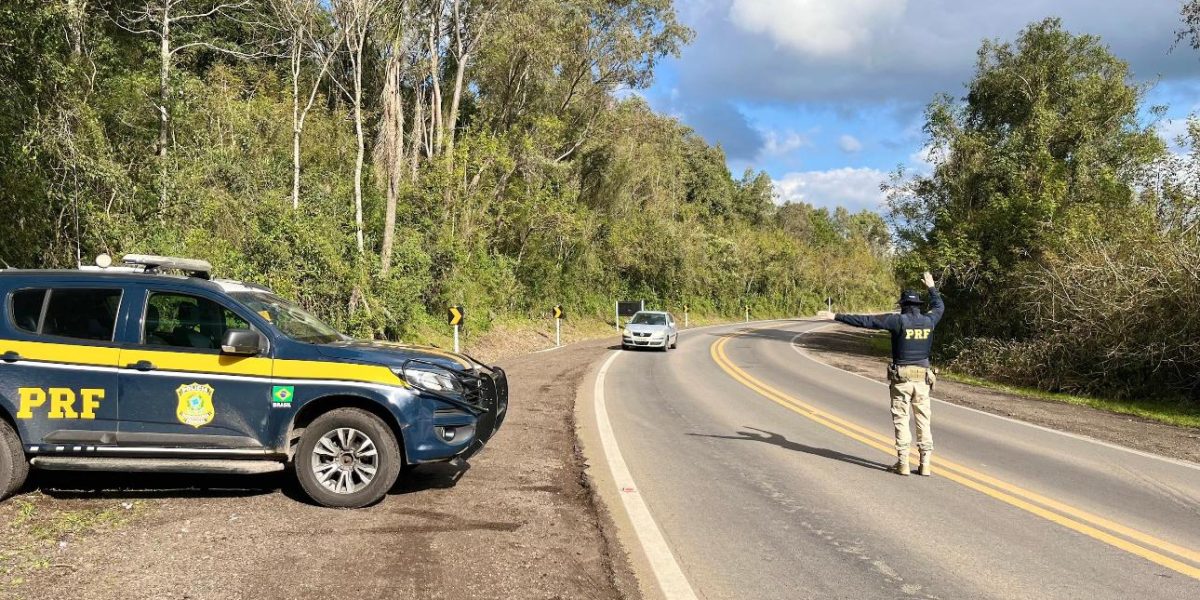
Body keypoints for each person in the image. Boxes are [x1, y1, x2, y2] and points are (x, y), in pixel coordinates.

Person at [816, 271, 944, 476]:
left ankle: (903, 463)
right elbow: (939, 307)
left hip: (902, 379)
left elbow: (867, 321)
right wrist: (931, 287)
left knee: (901, 419)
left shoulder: (897, 322)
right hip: (922, 380)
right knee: (923, 420)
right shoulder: (929, 321)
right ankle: (925, 463)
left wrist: (836, 316)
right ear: (919, 306)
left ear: (902, 305)